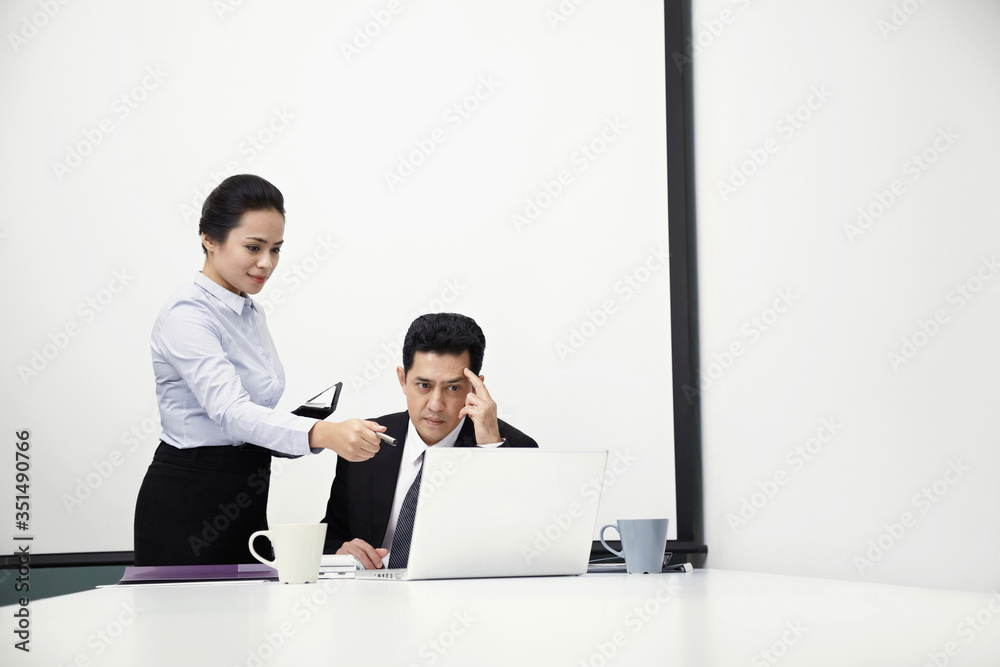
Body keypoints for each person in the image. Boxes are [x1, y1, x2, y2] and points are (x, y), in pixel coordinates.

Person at [134, 174, 385, 566]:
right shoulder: (187, 315)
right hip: (188, 501)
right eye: (253, 247)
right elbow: (231, 414)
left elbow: (248, 426)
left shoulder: (249, 310)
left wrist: (310, 432)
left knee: (247, 623)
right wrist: (323, 432)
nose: (266, 263)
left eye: (276, 249)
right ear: (209, 239)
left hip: (246, 498)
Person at [321, 312, 538, 568]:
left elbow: (520, 548)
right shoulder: (365, 441)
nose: (435, 405)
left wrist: (490, 447)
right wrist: (339, 555)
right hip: (374, 598)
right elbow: (331, 538)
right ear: (403, 380)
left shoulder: (513, 448)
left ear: (475, 387)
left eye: (453, 388)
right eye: (423, 385)